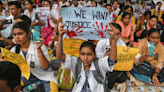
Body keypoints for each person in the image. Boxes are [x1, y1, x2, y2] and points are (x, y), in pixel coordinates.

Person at [56, 23, 118, 92]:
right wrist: (60, 37)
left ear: (94, 55)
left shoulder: (99, 63)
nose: (85, 58)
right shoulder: (76, 62)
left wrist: (113, 40)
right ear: (79, 54)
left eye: (89, 54)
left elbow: (112, 60)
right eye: (82, 54)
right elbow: (60, 56)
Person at [10, 22, 58, 92]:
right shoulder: (14, 50)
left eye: (20, 34)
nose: (17, 37)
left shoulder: (40, 46)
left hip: (44, 77)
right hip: (25, 78)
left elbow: (45, 67)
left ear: (29, 34)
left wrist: (39, 50)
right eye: (15, 34)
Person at [96, 23, 127, 92]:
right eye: (113, 33)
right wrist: (104, 57)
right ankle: (114, 84)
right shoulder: (101, 42)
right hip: (103, 67)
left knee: (116, 72)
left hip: (115, 68)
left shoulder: (122, 44)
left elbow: (124, 60)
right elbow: (97, 59)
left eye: (118, 34)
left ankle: (112, 85)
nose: (115, 36)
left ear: (120, 34)